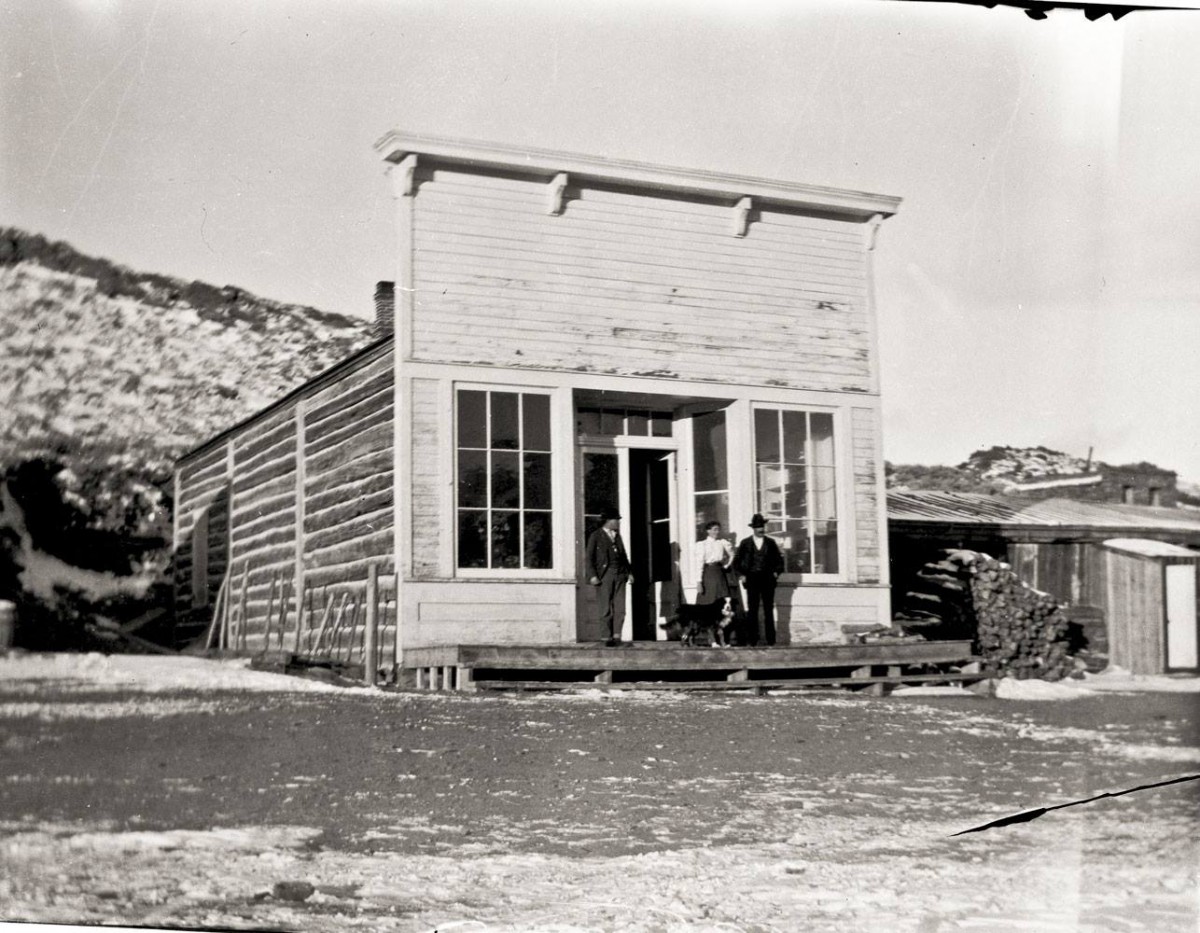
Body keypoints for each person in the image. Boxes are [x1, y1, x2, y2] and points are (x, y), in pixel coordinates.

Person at [734, 513, 785, 646]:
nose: (761, 529)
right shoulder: (745, 543)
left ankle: (771, 641)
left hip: (768, 579)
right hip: (751, 579)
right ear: (753, 528)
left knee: (768, 609)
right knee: (752, 610)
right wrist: (741, 575)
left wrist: (776, 572)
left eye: (762, 526)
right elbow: (736, 562)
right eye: (758, 527)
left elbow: (779, 561)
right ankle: (752, 640)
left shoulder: (771, 543)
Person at [586, 508, 631, 646]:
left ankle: (617, 637)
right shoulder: (596, 536)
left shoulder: (617, 536)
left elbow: (623, 557)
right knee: (605, 607)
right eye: (615, 519)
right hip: (605, 575)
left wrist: (629, 573)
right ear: (607, 521)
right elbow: (589, 558)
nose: (618, 522)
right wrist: (592, 575)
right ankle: (606, 638)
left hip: (620, 575)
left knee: (620, 607)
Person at [693, 520, 733, 606]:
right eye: (715, 529)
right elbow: (699, 564)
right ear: (708, 531)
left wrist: (726, 565)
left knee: (722, 599)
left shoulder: (722, 543)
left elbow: (732, 555)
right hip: (708, 574)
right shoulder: (702, 544)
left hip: (720, 573)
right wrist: (699, 582)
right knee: (709, 599)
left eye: (718, 529)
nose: (717, 532)